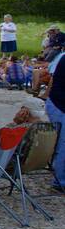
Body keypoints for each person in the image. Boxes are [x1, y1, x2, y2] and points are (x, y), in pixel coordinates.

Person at [44, 41, 65, 191]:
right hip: (59, 104)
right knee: (63, 143)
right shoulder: (63, 58)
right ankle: (61, 181)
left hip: (57, 101)